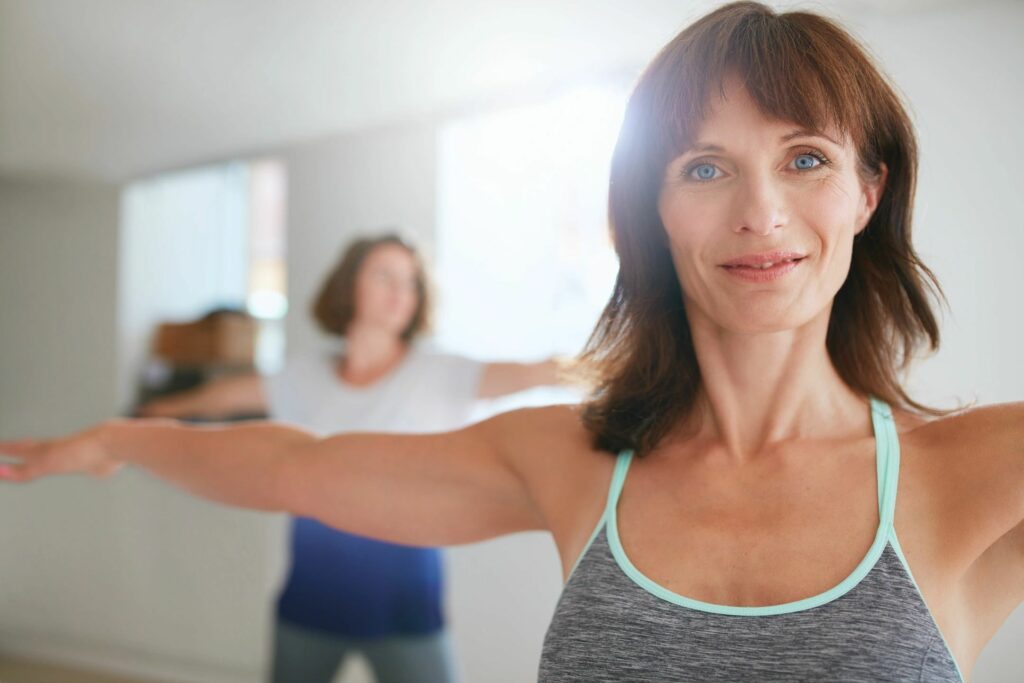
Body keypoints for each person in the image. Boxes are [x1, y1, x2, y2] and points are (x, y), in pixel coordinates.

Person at [2, 3, 1021, 681]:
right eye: (705, 168)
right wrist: (120, 439)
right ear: (654, 210)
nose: (759, 211)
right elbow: (294, 461)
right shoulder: (571, 459)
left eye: (804, 157)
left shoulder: (973, 469)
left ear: (867, 189)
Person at [137, 233, 563, 683]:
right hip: (311, 597)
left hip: (407, 603)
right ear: (349, 287)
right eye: (385, 276)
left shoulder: (439, 374)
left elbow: (535, 372)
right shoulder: (305, 376)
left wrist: (615, 367)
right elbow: (227, 397)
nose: (401, 292)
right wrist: (153, 416)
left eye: (411, 282)